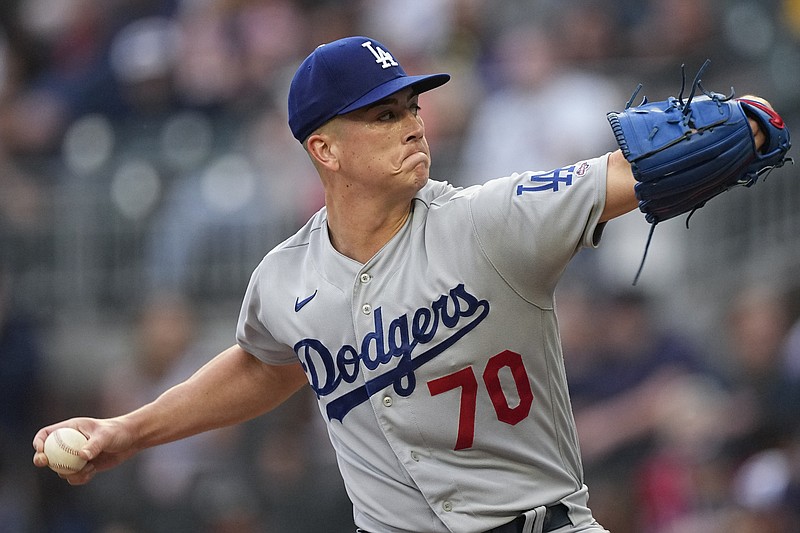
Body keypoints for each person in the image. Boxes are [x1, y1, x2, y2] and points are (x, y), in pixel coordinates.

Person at [33, 36, 772, 533]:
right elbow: (265, 362)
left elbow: (620, 175)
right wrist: (128, 431)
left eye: (412, 106)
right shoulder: (284, 277)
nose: (413, 124)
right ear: (323, 147)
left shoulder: (492, 219)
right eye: (384, 114)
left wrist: (744, 126)